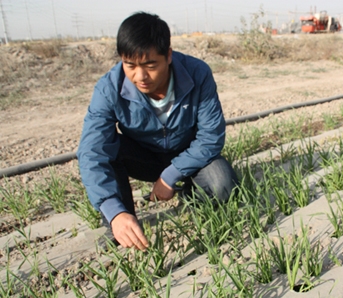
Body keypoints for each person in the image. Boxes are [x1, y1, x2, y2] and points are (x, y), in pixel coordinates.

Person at [77, 12, 238, 251]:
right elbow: (92, 152)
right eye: (130, 65)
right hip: (144, 157)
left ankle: (189, 193)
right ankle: (121, 222)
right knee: (106, 147)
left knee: (223, 185)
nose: (140, 76)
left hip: (190, 155)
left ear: (169, 56)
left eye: (150, 65)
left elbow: (210, 137)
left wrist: (170, 176)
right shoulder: (109, 88)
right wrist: (113, 211)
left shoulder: (197, 74)